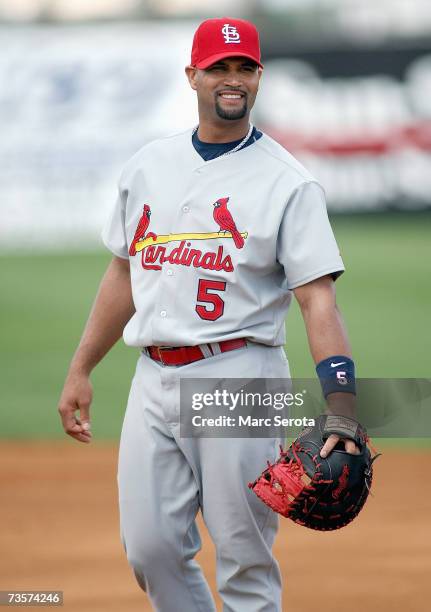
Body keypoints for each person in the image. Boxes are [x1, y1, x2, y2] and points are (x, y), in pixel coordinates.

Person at [58, 17, 359, 612]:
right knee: (150, 550)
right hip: (153, 377)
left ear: (259, 78)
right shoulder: (148, 165)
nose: (232, 79)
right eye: (219, 67)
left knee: (244, 558)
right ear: (192, 76)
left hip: (241, 375)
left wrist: (343, 410)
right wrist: (81, 367)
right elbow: (124, 271)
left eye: (244, 67)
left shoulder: (288, 182)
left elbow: (317, 298)